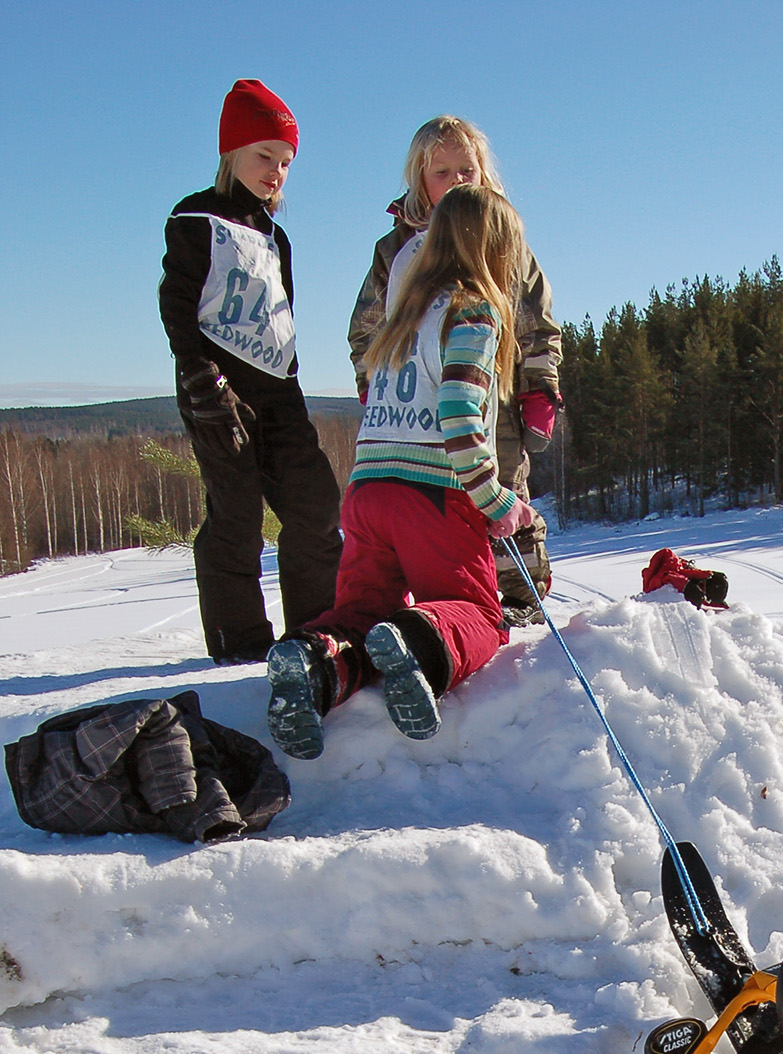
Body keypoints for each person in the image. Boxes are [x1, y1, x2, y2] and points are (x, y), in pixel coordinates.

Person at [264, 184, 535, 759]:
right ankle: (418, 640)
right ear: (496, 253)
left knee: (360, 611)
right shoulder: (473, 311)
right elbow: (460, 416)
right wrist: (495, 502)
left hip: (368, 492)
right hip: (433, 496)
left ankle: (316, 666)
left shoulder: (402, 314)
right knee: (479, 612)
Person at [346, 115, 561, 621]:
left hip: (493, 391)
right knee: (432, 503)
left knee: (500, 482)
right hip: (416, 409)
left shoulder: (506, 242)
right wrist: (372, 379)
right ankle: (443, 603)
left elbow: (538, 324)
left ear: (484, 173)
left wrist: (540, 388)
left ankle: (517, 591)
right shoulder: (396, 249)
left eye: (466, 169)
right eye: (442, 172)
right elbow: (368, 326)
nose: (456, 181)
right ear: (419, 181)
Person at [159, 79, 342, 665]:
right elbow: (177, 302)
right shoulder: (196, 218)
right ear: (231, 152)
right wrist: (197, 375)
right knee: (236, 516)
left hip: (279, 394)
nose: (276, 171)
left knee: (316, 507)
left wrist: (291, 388)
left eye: (286, 162)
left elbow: (278, 319)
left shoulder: (275, 237)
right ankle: (238, 648)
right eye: (265, 155)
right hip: (218, 391)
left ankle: (314, 635)